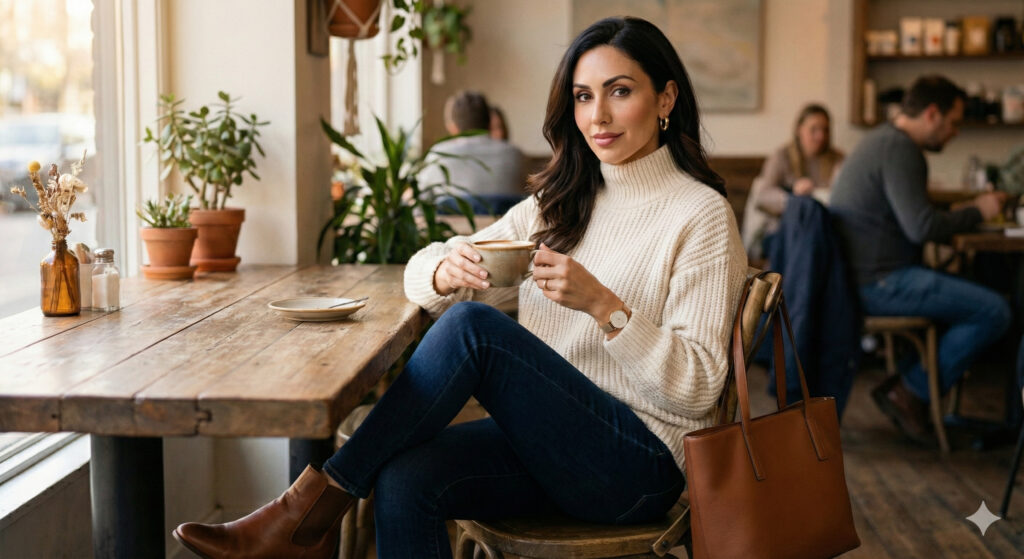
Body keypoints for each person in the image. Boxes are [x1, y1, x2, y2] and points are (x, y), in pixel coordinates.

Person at [172, 16, 747, 559]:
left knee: (475, 328)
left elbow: (698, 389)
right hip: (552, 443)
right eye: (583, 95)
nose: (598, 115)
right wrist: (445, 271)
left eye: (620, 91)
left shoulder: (700, 215)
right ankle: (309, 522)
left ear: (665, 98)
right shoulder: (564, 202)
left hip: (640, 467)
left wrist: (606, 308)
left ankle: (306, 514)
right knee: (404, 479)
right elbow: (426, 266)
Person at [830, 75, 1011, 444]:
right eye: (954, 122)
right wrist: (978, 210)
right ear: (932, 114)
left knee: (975, 296)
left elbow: (915, 219)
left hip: (861, 277)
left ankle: (908, 387)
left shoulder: (883, 141)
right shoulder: (901, 149)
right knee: (995, 310)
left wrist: (960, 211)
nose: (956, 132)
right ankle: (910, 391)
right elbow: (921, 227)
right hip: (879, 283)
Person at [742, 103, 844, 261]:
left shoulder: (838, 159)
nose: (821, 136)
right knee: (809, 238)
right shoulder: (782, 157)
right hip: (782, 231)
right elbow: (763, 196)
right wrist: (792, 196)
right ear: (799, 130)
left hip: (826, 230)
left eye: (825, 130)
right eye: (814, 129)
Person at [422, 90, 526, 215]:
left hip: (452, 234)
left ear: (452, 127)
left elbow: (421, 207)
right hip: (505, 233)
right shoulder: (516, 155)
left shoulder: (437, 156)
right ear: (489, 123)